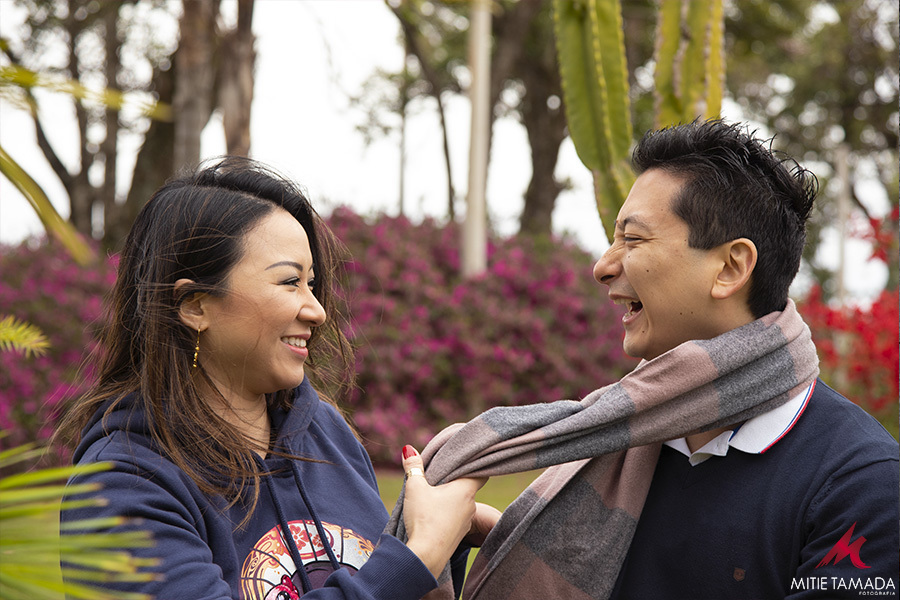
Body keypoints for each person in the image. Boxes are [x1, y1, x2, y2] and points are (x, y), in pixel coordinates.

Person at [389, 119, 898, 600]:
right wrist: (506, 535)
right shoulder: (627, 435)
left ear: (730, 267)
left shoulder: (861, 483)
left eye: (632, 239)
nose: (602, 266)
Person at [54, 157, 499, 600]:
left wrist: (446, 540)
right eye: (290, 282)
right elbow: (390, 578)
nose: (317, 310)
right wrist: (417, 557)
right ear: (195, 305)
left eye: (312, 283)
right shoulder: (123, 486)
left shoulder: (325, 432)